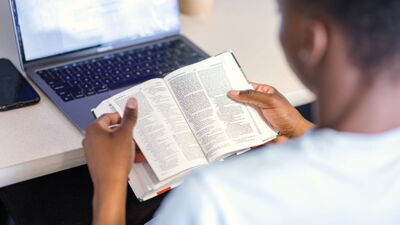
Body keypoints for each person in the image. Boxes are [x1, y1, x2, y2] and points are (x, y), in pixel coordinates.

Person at [83, 0, 400, 224]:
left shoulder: (217, 199)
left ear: (312, 40)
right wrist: (301, 128)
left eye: (281, 10)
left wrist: (109, 184)